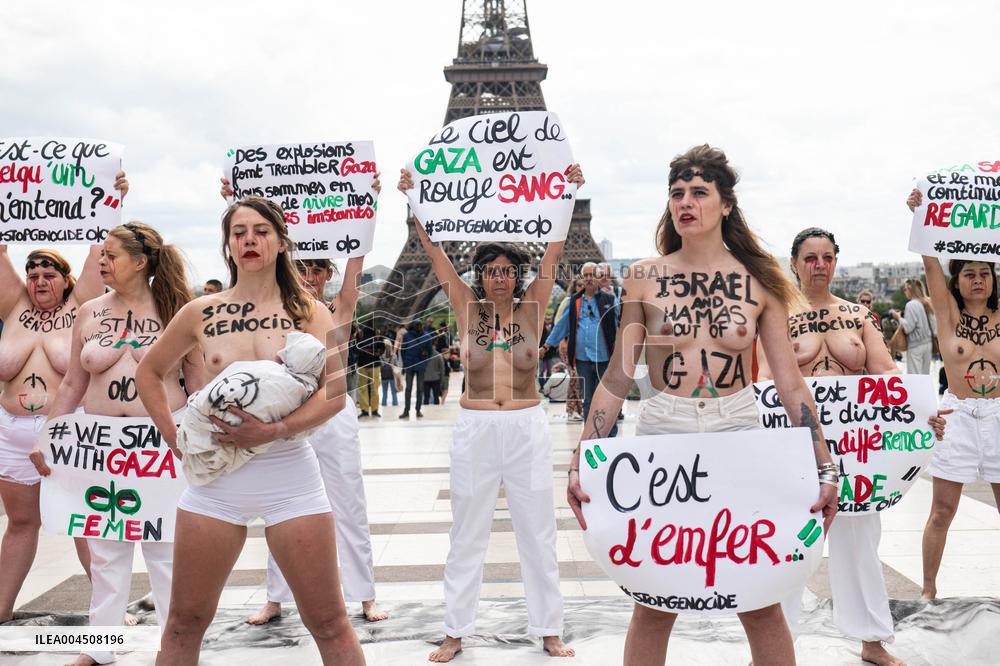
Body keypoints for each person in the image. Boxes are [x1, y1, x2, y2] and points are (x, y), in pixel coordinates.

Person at [567, 145, 839, 666]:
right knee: (653, 599)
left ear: (726, 204)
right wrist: (584, 454)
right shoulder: (644, 276)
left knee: (759, 599)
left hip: (738, 427)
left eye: (698, 192)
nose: (684, 202)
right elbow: (620, 374)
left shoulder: (761, 279)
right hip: (665, 428)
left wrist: (824, 464)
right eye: (676, 193)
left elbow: (789, 383)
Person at [135, 197, 365, 664]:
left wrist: (276, 429)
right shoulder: (201, 311)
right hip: (214, 484)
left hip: (290, 478)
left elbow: (335, 395)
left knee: (328, 622)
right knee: (183, 622)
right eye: (239, 232)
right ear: (228, 246)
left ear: (281, 243)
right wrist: (174, 438)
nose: (249, 240)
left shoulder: (311, 312)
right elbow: (149, 372)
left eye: (261, 231)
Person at [399, 165, 585, 662]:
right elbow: (436, 258)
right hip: (477, 425)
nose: (499, 278)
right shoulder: (465, 308)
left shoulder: (534, 309)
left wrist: (565, 190)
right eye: (490, 270)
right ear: (479, 275)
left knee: (538, 531)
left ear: (516, 275)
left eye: (506, 270)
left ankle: (549, 628)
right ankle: (455, 630)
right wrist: (415, 201)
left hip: (525, 424)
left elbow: (554, 252)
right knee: (468, 531)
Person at [758, 226, 944, 666]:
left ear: (836, 262)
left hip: (857, 444)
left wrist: (922, 413)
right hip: (796, 441)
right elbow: (765, 380)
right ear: (795, 263)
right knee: (788, 543)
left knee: (860, 540)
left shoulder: (859, 317)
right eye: (810, 258)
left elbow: (886, 375)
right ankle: (774, 646)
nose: (819, 265)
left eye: (826, 257)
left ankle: (872, 640)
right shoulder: (777, 314)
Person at [218, 176, 389, 626]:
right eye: (305, 268)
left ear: (328, 274)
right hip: (286, 415)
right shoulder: (277, 308)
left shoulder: (335, 310)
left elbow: (355, 271)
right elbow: (246, 258)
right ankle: (276, 596)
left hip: (332, 414)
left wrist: (364, 206)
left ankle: (365, 593)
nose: (311, 276)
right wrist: (237, 203)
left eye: (319, 270)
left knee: (347, 499)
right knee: (279, 504)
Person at [31, 220, 203, 666]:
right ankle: (98, 647)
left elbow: (197, 378)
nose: (101, 261)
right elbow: (73, 380)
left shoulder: (178, 309)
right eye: (102, 255)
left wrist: (202, 435)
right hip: (99, 442)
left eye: (111, 255)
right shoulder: (88, 311)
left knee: (165, 548)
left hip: (162, 438)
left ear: (141, 262)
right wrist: (49, 435)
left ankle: (174, 644)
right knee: (105, 548)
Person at [0, 173, 129, 626]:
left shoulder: (83, 305)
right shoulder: (13, 304)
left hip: (66, 431)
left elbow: (101, 242)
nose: (38, 280)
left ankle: (108, 614)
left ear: (65, 279)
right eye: (33, 273)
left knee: (83, 523)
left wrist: (113, 197)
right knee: (19, 524)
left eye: (48, 273)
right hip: (10, 433)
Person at [907, 188, 1000, 601]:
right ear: (957, 280)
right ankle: (928, 590)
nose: (977, 279)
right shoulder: (946, 314)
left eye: (985, 271)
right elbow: (929, 262)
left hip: (999, 415)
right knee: (942, 511)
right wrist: (921, 212)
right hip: (958, 415)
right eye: (968, 273)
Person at [541, 262, 620, 436]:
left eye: (593, 275)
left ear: (599, 278)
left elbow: (619, 325)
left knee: (607, 398)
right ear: (582, 278)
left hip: (605, 357)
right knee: (589, 399)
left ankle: (610, 434)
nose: (590, 278)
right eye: (587, 275)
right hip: (583, 358)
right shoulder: (574, 301)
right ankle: (590, 434)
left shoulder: (610, 300)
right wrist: (546, 346)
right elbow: (561, 326)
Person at [891, 278, 935, 374]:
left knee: (915, 377)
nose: (904, 292)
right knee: (925, 375)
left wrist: (898, 317)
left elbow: (908, 328)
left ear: (911, 289)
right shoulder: (927, 302)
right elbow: (934, 327)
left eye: (905, 289)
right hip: (928, 344)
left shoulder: (911, 305)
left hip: (916, 345)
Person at [400, 320, 432, 419]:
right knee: (410, 388)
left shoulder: (426, 336)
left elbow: (430, 352)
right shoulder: (407, 336)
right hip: (411, 365)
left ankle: (417, 409)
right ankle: (407, 410)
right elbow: (403, 350)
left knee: (419, 388)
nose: (419, 327)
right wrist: (405, 364)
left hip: (419, 365)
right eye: (418, 325)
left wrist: (425, 363)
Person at [356, 321, 383, 418]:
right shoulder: (377, 334)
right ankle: (374, 410)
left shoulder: (360, 334)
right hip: (374, 364)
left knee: (363, 389)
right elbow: (382, 348)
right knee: (374, 389)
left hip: (362, 364)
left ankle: (365, 410)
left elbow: (356, 347)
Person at [538, 313, 559, 385]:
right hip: (541, 352)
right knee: (540, 371)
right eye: (546, 319)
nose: (548, 320)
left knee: (550, 371)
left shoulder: (554, 327)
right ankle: (542, 386)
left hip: (550, 353)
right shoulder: (541, 327)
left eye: (549, 319)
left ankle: (547, 385)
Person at [380, 330, 399, 409]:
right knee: (394, 392)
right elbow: (397, 366)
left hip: (384, 376)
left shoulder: (381, 355)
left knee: (384, 392)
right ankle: (395, 404)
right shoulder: (394, 355)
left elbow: (380, 365)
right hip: (392, 376)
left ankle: (384, 404)